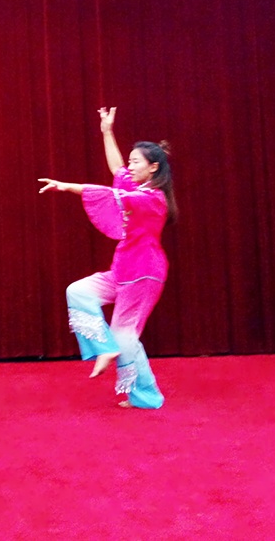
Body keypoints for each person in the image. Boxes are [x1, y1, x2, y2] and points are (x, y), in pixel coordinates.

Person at [38, 106, 176, 409]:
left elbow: (110, 193)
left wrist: (66, 186)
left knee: (125, 335)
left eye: (136, 161)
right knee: (78, 292)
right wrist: (106, 131)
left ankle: (147, 396)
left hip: (144, 273)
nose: (130, 166)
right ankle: (104, 347)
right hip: (123, 269)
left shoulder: (153, 198)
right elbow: (117, 170)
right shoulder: (137, 186)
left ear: (153, 167)